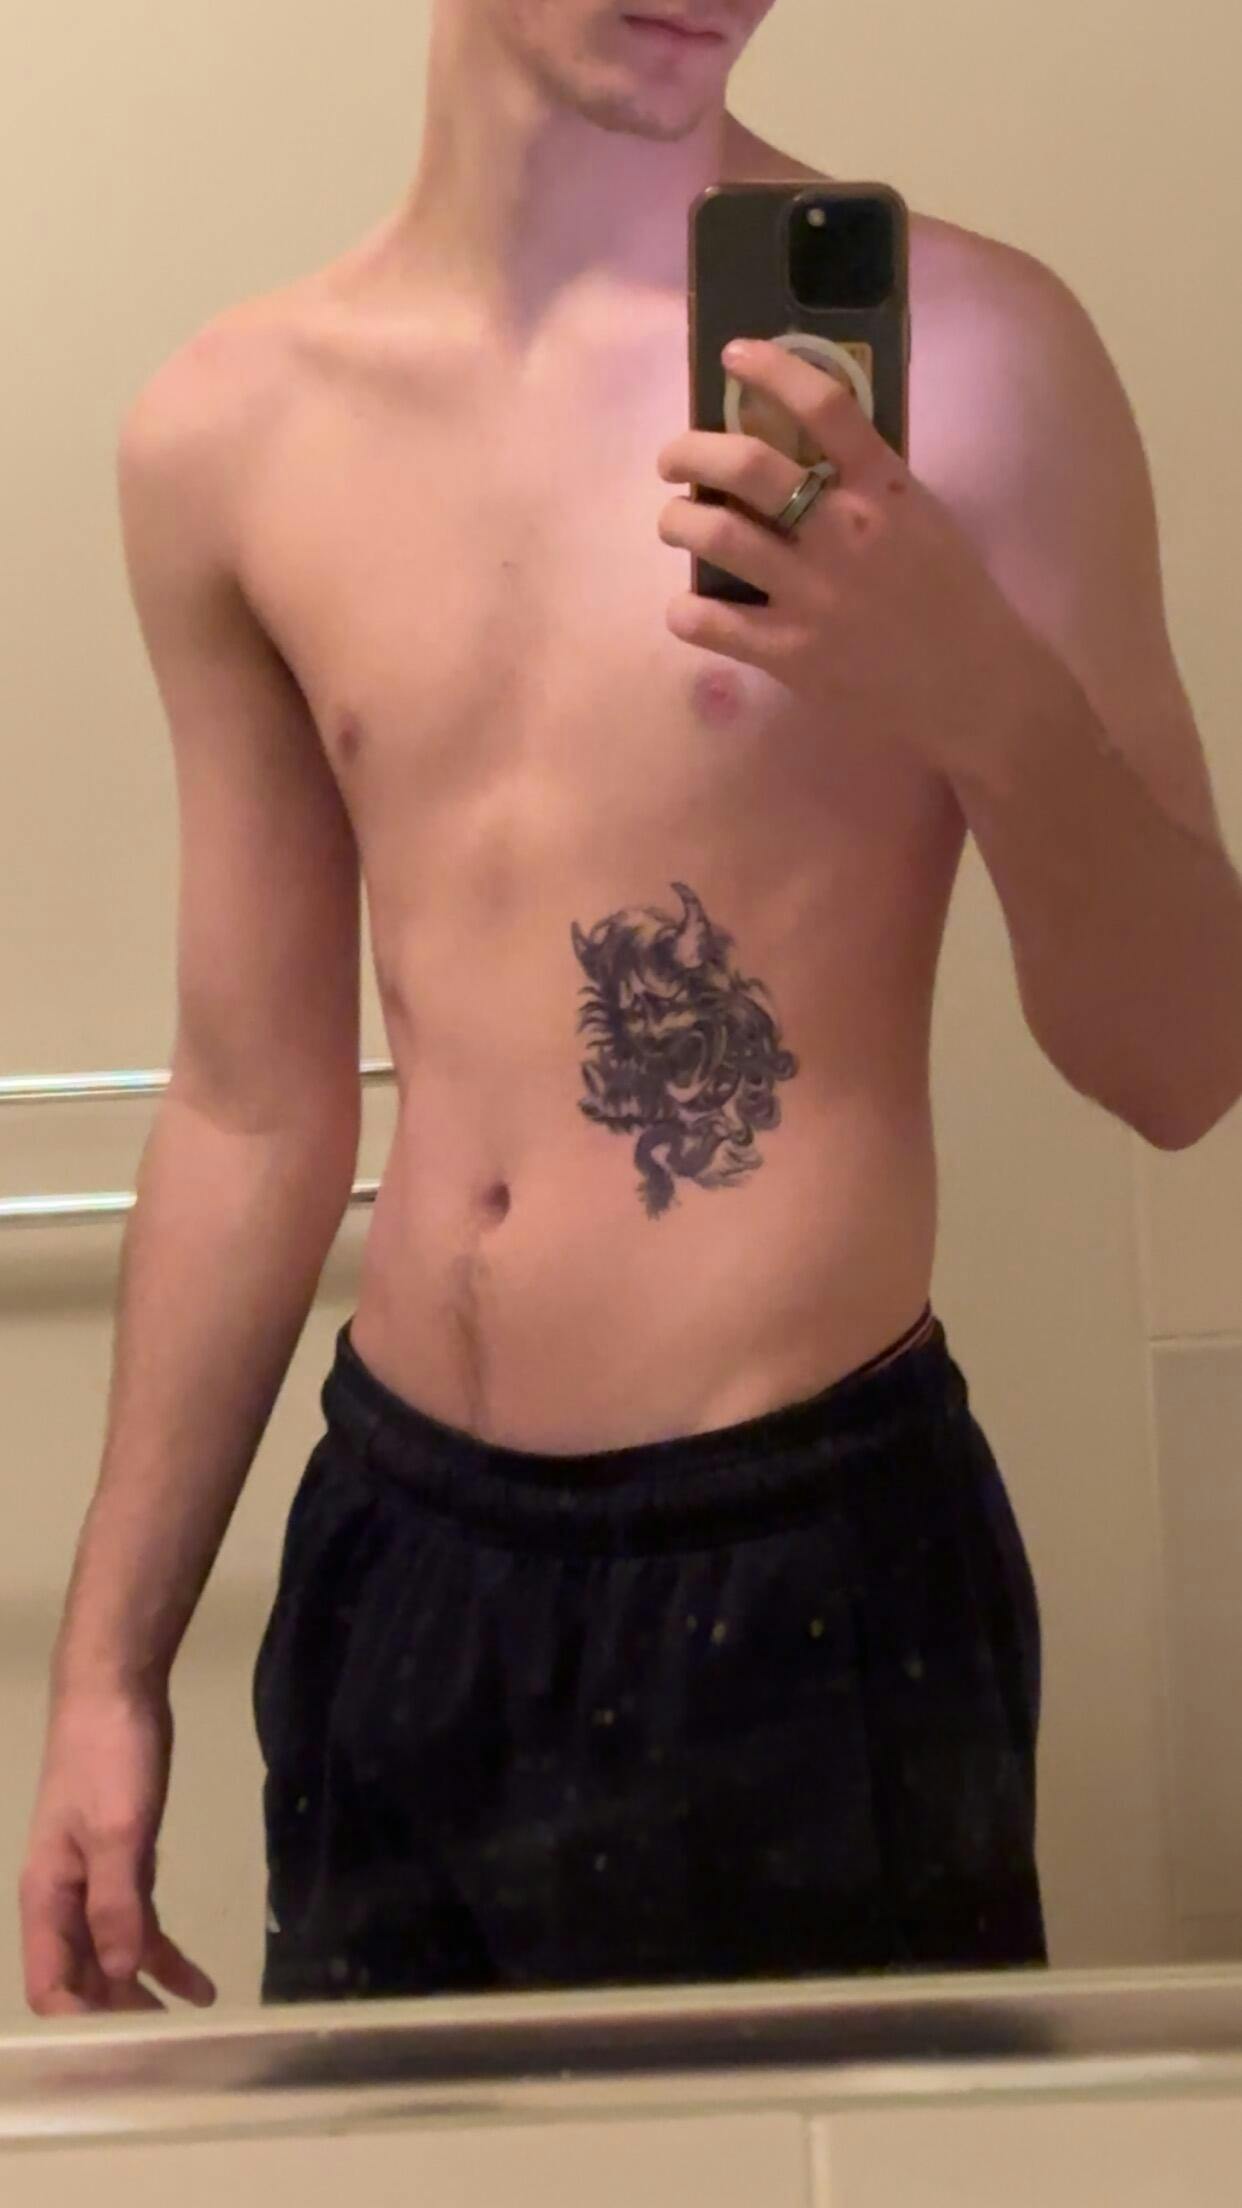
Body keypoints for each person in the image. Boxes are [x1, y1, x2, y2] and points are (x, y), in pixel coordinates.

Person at [21, 0, 1242, 2016]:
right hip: (397, 1551)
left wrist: (983, 697)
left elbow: (1182, 1065)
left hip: (805, 1562)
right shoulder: (233, 430)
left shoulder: (980, 360)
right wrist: (105, 1672)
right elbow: (252, 1103)